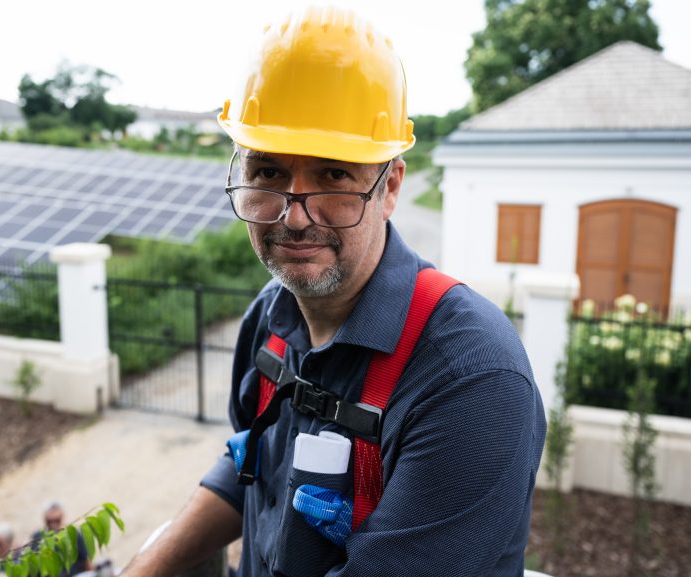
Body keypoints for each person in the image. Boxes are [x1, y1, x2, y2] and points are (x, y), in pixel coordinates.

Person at [120, 6, 545, 577]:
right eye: (268, 173)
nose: (295, 217)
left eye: (334, 175)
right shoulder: (271, 321)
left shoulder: (470, 376)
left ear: (389, 186)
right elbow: (249, 466)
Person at [31, 502, 88, 577]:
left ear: (62, 516)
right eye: (50, 520)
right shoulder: (37, 537)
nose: (53, 522)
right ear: (44, 518)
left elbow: (85, 562)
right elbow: (32, 565)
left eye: (56, 519)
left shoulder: (73, 534)